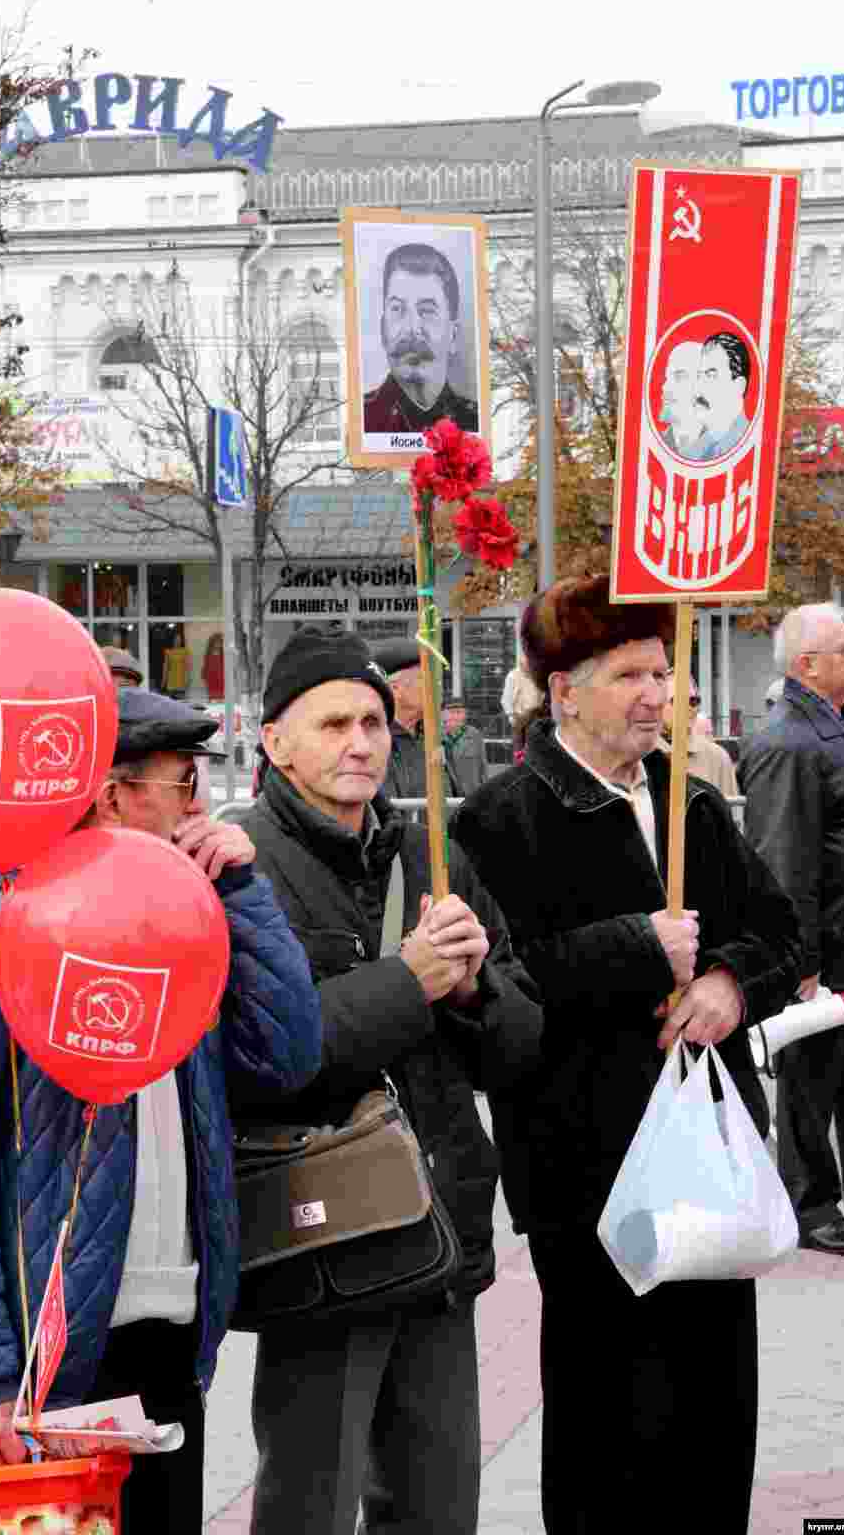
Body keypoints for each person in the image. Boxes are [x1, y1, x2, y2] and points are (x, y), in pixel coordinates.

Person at [0, 687, 321, 1531]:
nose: (202, 806)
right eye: (185, 784)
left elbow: (286, 1055)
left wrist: (242, 897)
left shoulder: (180, 914)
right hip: (33, 1375)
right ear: (113, 794)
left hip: (167, 1340)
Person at [449, 574, 800, 1535]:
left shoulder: (692, 803)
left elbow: (779, 931)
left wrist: (729, 980)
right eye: (630, 673)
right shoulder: (498, 819)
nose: (660, 693)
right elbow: (495, 990)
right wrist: (635, 947)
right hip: (587, 1176)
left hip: (708, 1160)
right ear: (564, 691)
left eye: (665, 670)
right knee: (611, 1430)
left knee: (713, 1421)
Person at [238, 625, 543, 1535]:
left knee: (438, 1503)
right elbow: (265, 1053)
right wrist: (408, 979)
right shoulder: (239, 867)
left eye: (373, 721)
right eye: (332, 723)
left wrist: (482, 982)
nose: (360, 742)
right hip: (321, 1240)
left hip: (440, 1228)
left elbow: (517, 1049)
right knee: (311, 1502)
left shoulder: (431, 855)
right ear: (273, 743)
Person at [739, 602, 844, 1256]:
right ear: (807, 664)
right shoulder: (789, 743)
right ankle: (810, 1205)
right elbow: (783, 860)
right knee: (811, 1080)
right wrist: (798, 960)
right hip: (824, 948)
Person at [363, 243, 478, 435]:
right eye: (398, 309)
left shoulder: (474, 422)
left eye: (426, 311)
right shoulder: (361, 420)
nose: (412, 328)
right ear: (383, 329)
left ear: (453, 335)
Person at [373, 638, 462, 800]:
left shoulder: (436, 737)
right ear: (395, 688)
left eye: (438, 681)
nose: (437, 688)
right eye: (425, 679)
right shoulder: (375, 741)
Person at [659, 671, 738, 797]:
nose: (689, 707)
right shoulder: (637, 756)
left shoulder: (717, 758)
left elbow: (730, 813)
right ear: (658, 704)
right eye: (679, 700)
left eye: (694, 701)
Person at [696, 331, 751, 459]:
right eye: (699, 376)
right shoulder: (697, 449)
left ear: (739, 386)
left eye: (711, 375)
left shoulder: (747, 447)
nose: (698, 388)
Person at [659, 339, 706, 459]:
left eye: (679, 377)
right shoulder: (653, 445)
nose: (665, 387)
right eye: (667, 377)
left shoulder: (722, 448)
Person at [443, 697, 488, 794]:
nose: (454, 716)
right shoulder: (435, 736)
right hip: (445, 796)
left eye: (458, 712)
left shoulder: (474, 735)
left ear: (465, 715)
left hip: (470, 794)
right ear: (443, 715)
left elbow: (482, 767)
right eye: (451, 712)